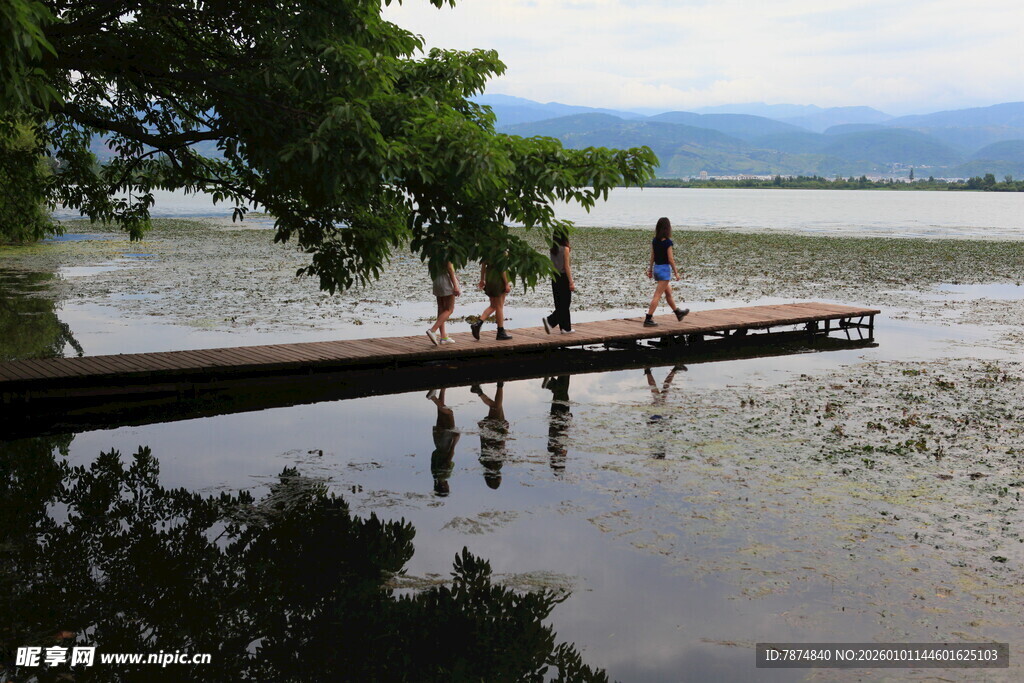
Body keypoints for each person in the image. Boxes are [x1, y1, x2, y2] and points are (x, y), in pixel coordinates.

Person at [644, 217, 689, 327]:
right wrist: (676, 273)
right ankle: (648, 319)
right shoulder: (668, 242)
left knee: (668, 292)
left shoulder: (655, 241)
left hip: (657, 269)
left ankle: (678, 312)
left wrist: (650, 269)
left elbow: (653, 256)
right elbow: (670, 259)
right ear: (667, 228)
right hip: (664, 270)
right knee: (657, 295)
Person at [472, 382, 508, 489]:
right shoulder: (484, 464)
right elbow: (483, 446)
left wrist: (505, 431)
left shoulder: (498, 466)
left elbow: (501, 447)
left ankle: (500, 384)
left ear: (497, 478)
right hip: (487, 433)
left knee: (497, 407)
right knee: (494, 407)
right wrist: (482, 430)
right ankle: (479, 392)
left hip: (497, 432)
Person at [427, 389, 459, 496]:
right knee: (441, 412)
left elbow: (449, 457)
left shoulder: (445, 475)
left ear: (445, 487)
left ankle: (433, 397)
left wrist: (455, 441)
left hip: (446, 443)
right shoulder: (434, 474)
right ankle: (442, 388)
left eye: (447, 488)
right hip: (437, 442)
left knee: (449, 413)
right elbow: (433, 454)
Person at [470, 261, 512, 341]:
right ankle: (500, 332)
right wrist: (506, 283)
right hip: (498, 280)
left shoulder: (486, 249)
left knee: (493, 306)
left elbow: (483, 265)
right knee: (499, 306)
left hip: (489, 279)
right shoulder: (500, 251)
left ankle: (477, 324)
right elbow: (502, 268)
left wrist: (482, 279)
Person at [542, 233, 575, 334]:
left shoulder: (553, 249)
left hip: (554, 277)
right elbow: (566, 267)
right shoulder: (565, 249)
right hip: (563, 277)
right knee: (565, 304)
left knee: (559, 303)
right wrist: (571, 282)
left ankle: (565, 328)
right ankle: (550, 321)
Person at [426, 262, 460, 346]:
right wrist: (455, 285)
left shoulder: (435, 251)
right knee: (449, 309)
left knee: (441, 308)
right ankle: (433, 330)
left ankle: (443, 337)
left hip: (437, 279)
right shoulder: (447, 250)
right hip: (446, 281)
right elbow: (450, 268)